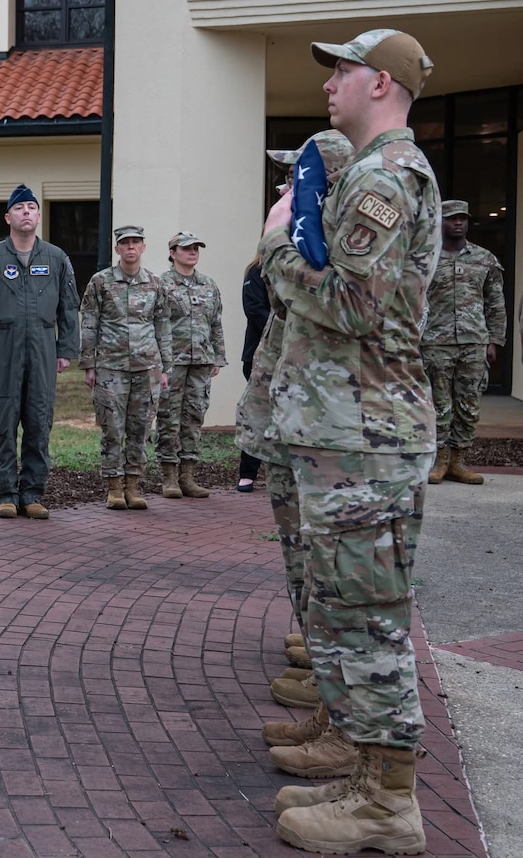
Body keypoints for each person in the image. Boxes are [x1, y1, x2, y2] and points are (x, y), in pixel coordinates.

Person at [259, 29, 440, 855]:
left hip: (366, 438)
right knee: (343, 618)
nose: (329, 83)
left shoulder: (385, 178)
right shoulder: (373, 174)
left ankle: (388, 806)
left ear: (379, 82)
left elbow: (353, 305)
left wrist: (274, 250)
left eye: (341, 69)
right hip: (346, 433)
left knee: (368, 625)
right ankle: (366, 773)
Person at [239, 131, 357, 745]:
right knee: (299, 549)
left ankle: (326, 675)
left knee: (315, 552)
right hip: (288, 411)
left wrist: (277, 236)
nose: (286, 187)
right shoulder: (310, 231)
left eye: (297, 177)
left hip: (315, 420)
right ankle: (316, 652)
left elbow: (306, 301)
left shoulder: (328, 240)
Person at [0, 184, 80, 519]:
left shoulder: (57, 259)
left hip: (43, 347)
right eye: (19, 208)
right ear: (8, 217)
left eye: (31, 207)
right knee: (2, 421)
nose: (26, 212)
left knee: (39, 420)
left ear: (39, 215)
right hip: (2, 349)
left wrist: (66, 349)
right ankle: (5, 493)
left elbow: (68, 308)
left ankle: (32, 493)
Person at [79, 225, 170, 511]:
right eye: (125, 243)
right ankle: (114, 487)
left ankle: (134, 484)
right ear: (117, 249)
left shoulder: (155, 283)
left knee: (141, 428)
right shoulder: (100, 282)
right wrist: (88, 364)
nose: (131, 247)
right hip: (110, 367)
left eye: (136, 242)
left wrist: (165, 367)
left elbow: (162, 325)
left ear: (143, 247)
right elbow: (90, 322)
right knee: (112, 428)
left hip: (147, 367)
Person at [422, 199, 505, 486]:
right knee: (438, 404)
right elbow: (412, 301)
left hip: (474, 342)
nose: (457, 223)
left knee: (469, 405)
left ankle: (459, 461)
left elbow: (495, 303)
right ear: (439, 222)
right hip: (435, 343)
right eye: (451, 218)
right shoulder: (426, 259)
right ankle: (439, 460)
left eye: (462, 218)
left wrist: (494, 340)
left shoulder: (485, 259)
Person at [156, 233, 226, 499]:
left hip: (201, 361)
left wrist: (218, 356)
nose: (192, 252)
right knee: (169, 417)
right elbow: (155, 324)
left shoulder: (209, 285)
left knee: (194, 416)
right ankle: (169, 476)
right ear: (172, 252)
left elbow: (216, 323)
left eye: (196, 248)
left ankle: (188, 475)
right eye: (186, 248)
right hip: (172, 362)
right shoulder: (160, 284)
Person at [236, 256, 269, 492]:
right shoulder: (257, 271)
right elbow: (255, 309)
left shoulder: (305, 267)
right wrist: (288, 330)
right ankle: (248, 474)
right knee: (257, 413)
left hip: (298, 356)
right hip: (260, 355)